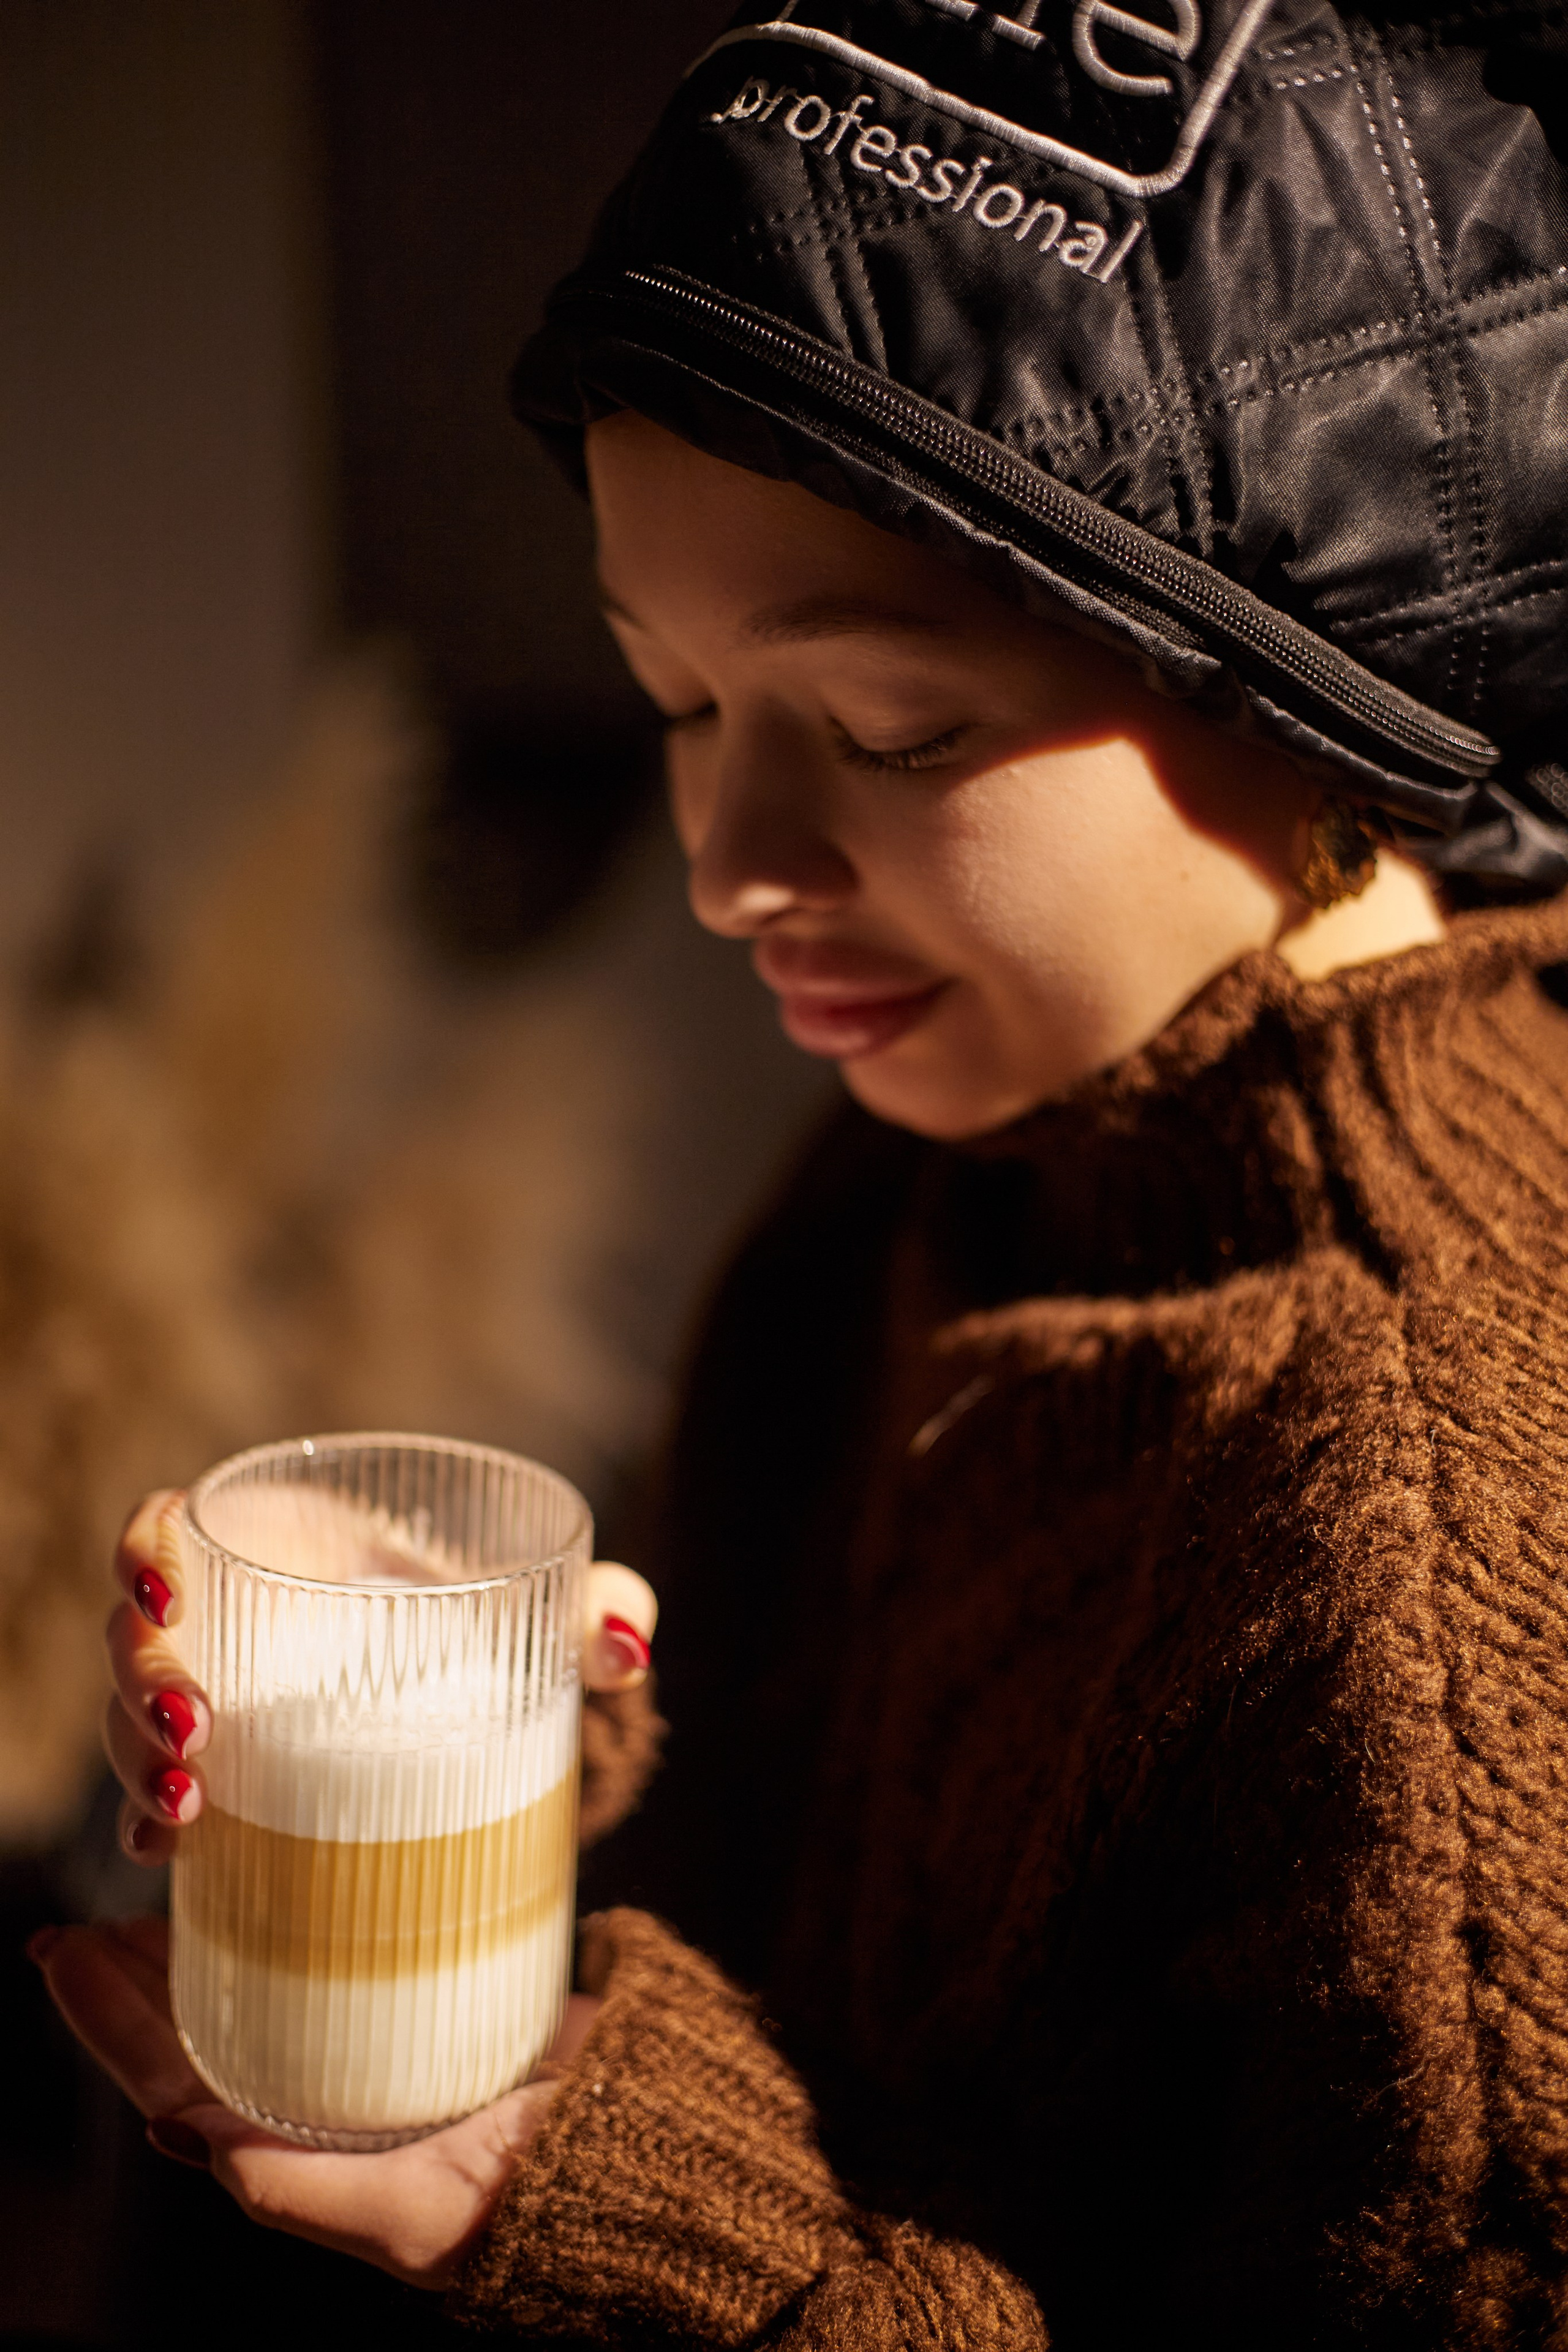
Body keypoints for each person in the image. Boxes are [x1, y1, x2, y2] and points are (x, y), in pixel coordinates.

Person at [33, 1, 1568, 2340]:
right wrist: (505, 1730)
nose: (731, 861)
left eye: (885, 727)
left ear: (1333, 691)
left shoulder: (1449, 1555)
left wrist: (656, 2232)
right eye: (676, 703)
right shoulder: (949, 1178)